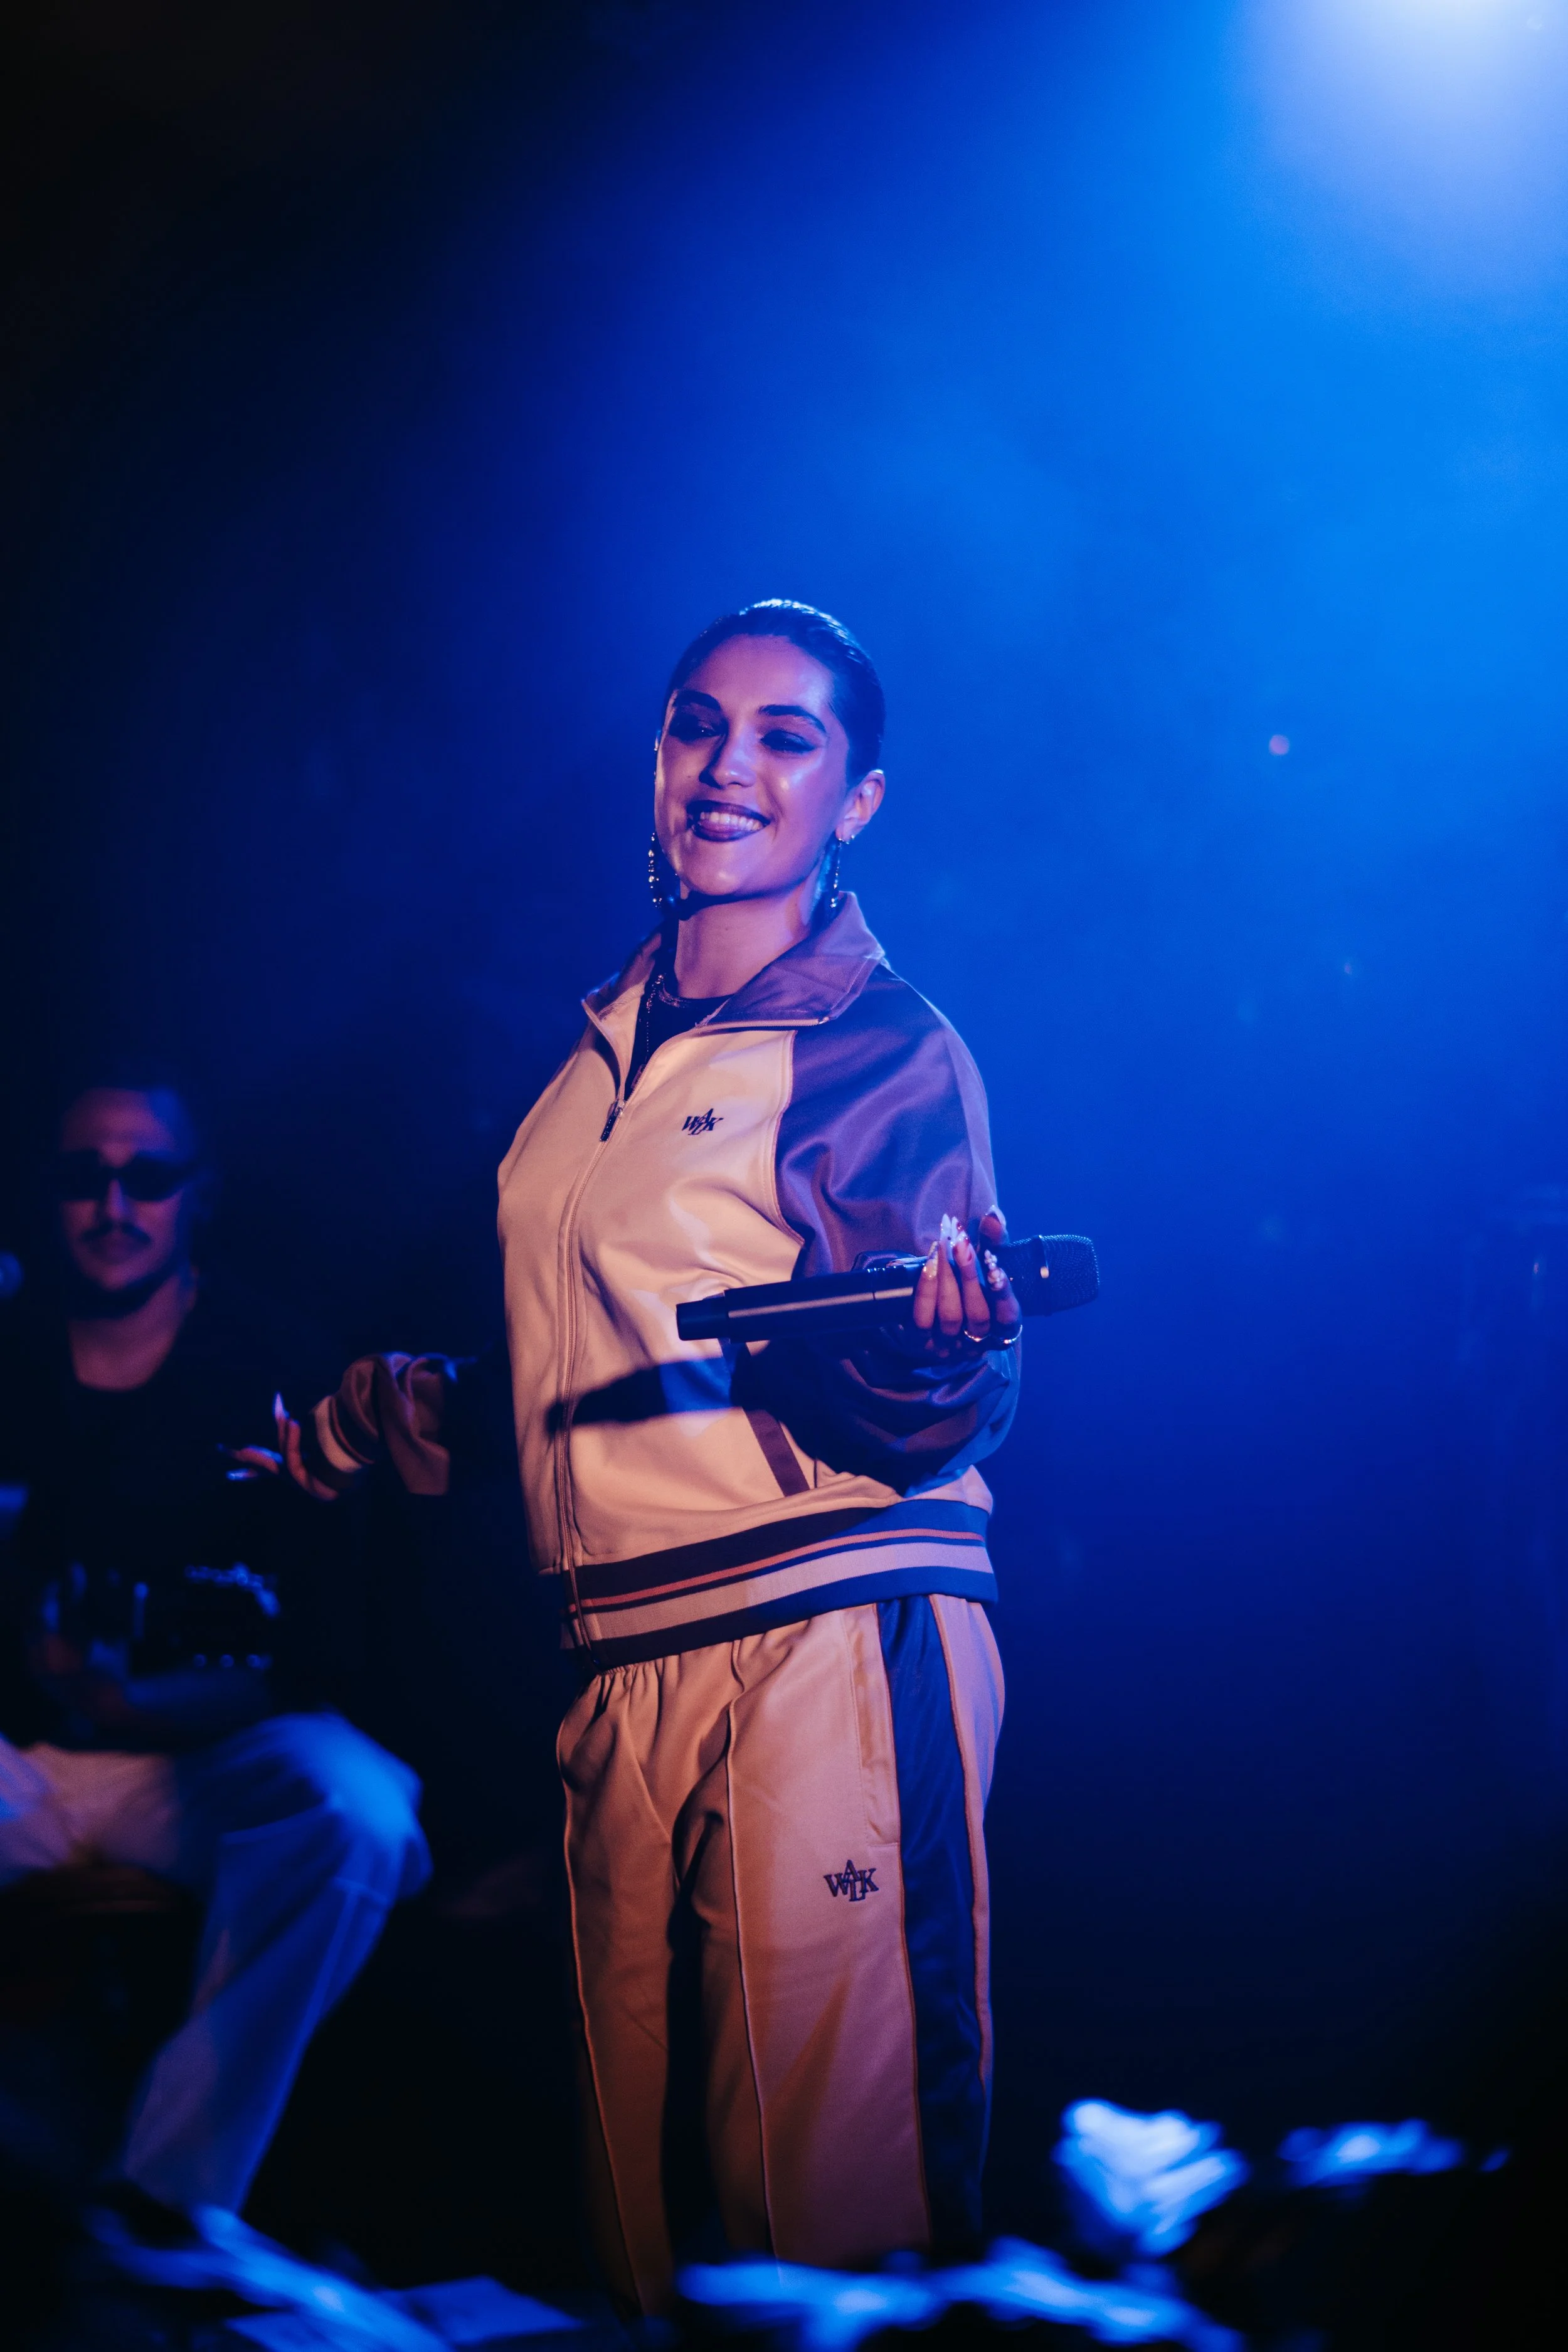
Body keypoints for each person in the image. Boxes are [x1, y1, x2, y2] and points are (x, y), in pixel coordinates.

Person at [289, 601, 1022, 2309]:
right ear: (655, 756)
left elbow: (930, 1403)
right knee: (639, 2243)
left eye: (787, 737)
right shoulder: (591, 1052)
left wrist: (941, 1336)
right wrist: (415, 1409)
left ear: (857, 798)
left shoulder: (877, 1045)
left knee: (829, 2238)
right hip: (616, 1667)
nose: (729, 764)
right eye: (700, 723)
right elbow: (624, 1356)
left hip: (821, 1637)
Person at [0, 1077, 430, 2229]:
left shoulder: (275, 1365)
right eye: (82, 1175)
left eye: (146, 1175)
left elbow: (326, 1642)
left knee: (362, 1810)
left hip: (203, 1763)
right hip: (22, 1762)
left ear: (197, 1196)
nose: (112, 1203)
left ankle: (164, 2206)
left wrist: (151, 1693)